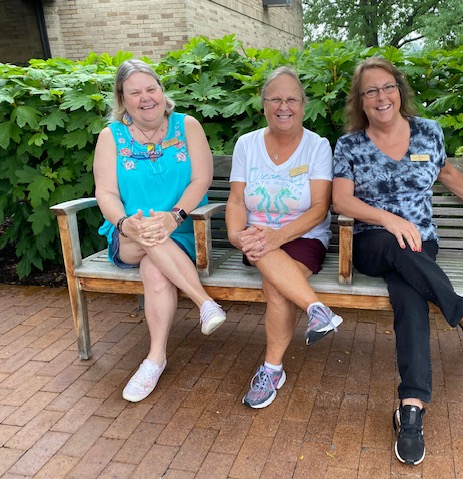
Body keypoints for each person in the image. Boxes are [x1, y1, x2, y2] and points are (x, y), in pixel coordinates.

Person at [331, 57, 463, 466]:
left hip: (420, 248)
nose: (381, 97)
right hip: (370, 242)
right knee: (399, 247)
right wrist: (388, 218)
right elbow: (341, 200)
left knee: (410, 298)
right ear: (360, 102)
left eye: (388, 87)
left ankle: (411, 409)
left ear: (399, 91)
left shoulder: (428, 133)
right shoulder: (350, 145)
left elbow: (448, 173)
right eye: (370, 91)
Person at [93, 59, 227, 403]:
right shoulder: (111, 137)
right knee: (146, 237)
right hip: (128, 235)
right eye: (134, 92)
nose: (145, 98)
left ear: (161, 91)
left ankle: (155, 359)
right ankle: (205, 303)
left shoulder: (187, 126)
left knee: (155, 271)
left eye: (151, 88)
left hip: (182, 230)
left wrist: (174, 216)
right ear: (122, 99)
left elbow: (202, 179)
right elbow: (105, 192)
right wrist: (125, 223)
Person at [225, 66, 343, 409]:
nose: (283, 106)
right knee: (263, 253)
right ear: (263, 105)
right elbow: (235, 199)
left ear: (303, 105)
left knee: (275, 286)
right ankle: (318, 311)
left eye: (291, 98)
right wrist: (236, 236)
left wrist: (278, 237)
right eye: (275, 98)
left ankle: (272, 370)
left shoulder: (317, 146)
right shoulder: (247, 145)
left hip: (304, 234)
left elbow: (320, 208)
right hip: (256, 236)